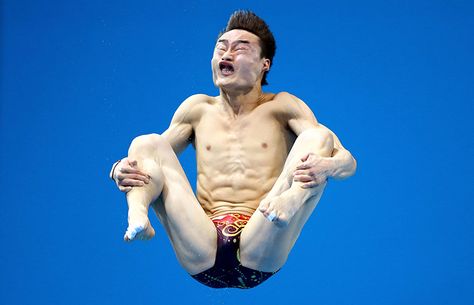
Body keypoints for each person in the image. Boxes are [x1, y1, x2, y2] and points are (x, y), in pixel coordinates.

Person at [109, 10, 356, 289]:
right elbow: (151, 158)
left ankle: (292, 200)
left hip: (262, 235)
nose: (227, 54)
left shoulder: (283, 107)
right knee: (146, 143)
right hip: (201, 243)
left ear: (265, 64)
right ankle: (137, 215)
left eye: (240, 49)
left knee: (318, 136)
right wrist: (117, 169)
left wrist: (327, 167)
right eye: (221, 48)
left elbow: (347, 161)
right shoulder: (196, 109)